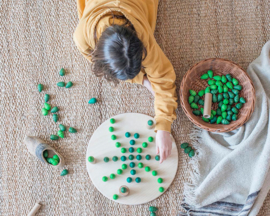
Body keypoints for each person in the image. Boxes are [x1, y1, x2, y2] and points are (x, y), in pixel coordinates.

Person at [74, 0, 177, 163]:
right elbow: (92, 59)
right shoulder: (82, 37)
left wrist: (164, 126)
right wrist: (142, 80)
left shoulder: (143, 39)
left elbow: (163, 77)